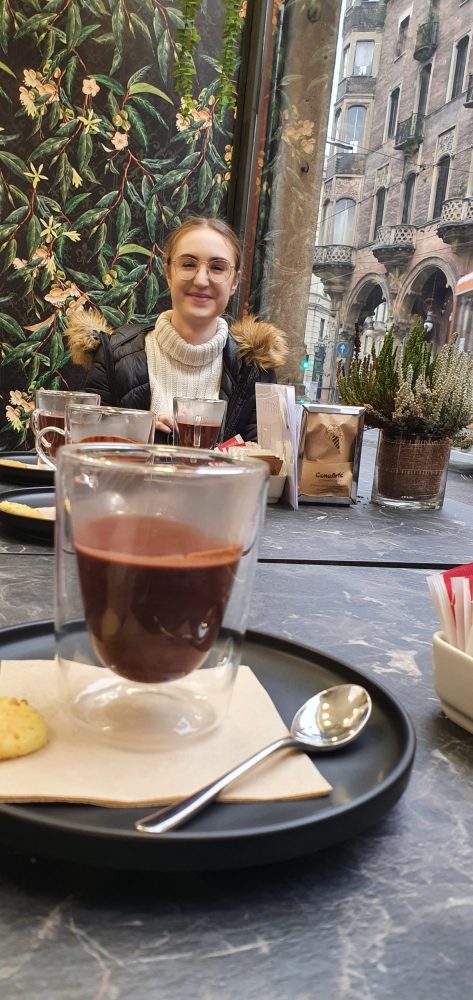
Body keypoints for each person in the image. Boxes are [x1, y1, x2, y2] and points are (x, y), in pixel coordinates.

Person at [66, 216, 288, 441]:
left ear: (234, 281)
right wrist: (140, 435)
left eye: (218, 267)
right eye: (188, 264)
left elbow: (267, 468)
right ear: (168, 273)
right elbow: (88, 453)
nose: (201, 280)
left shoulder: (255, 369)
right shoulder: (114, 354)